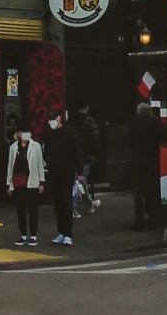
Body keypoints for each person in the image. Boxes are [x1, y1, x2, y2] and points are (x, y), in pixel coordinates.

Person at [43, 111, 82, 247]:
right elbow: (46, 151)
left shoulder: (68, 132)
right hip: (54, 172)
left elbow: (76, 150)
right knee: (58, 203)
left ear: (59, 119)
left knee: (66, 201)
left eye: (53, 119)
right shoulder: (49, 134)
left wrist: (80, 170)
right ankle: (61, 232)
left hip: (67, 171)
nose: (51, 123)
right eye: (49, 120)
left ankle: (67, 233)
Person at [6, 124, 45, 246]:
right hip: (18, 182)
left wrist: (41, 182)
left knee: (33, 210)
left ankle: (33, 235)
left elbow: (40, 165)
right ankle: (23, 234)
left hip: (32, 182)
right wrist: (9, 184)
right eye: (23, 132)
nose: (26, 135)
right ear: (19, 134)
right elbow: (10, 166)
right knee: (20, 210)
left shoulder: (36, 146)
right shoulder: (13, 147)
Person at [129, 101, 162, 230]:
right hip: (152, 159)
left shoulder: (133, 124)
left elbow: (129, 142)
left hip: (137, 159)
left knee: (138, 193)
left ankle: (139, 221)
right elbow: (159, 140)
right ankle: (153, 220)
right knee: (153, 191)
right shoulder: (155, 124)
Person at [75, 104, 104, 214]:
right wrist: (94, 155)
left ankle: (77, 204)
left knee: (76, 182)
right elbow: (95, 139)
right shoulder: (89, 121)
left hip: (74, 156)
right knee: (81, 181)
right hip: (86, 156)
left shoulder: (71, 121)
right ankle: (88, 203)